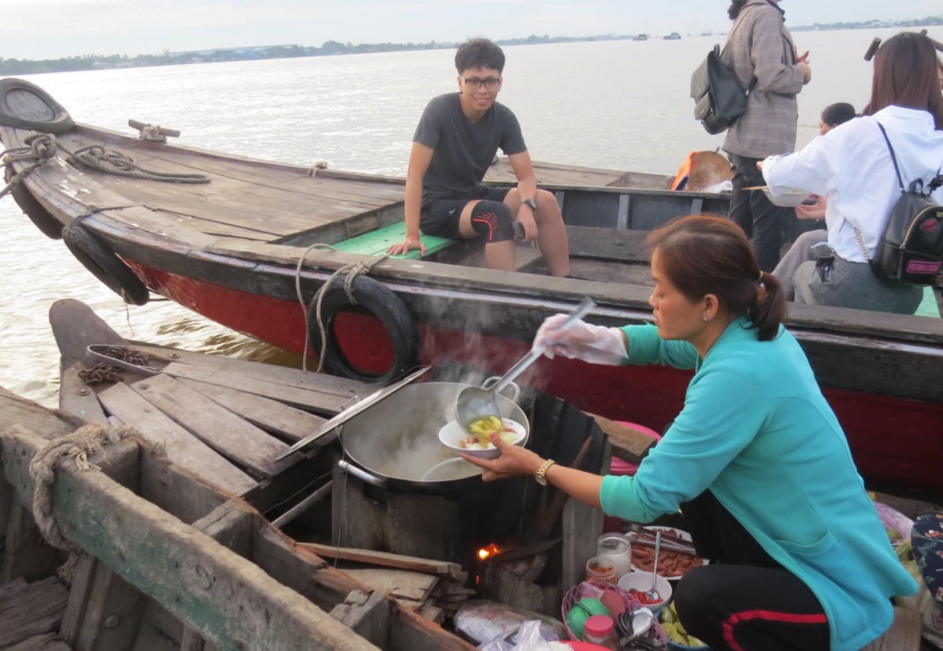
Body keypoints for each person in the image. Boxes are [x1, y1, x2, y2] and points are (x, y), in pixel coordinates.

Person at [461, 215, 917, 651]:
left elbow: (641, 499)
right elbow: (672, 344)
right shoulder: (746, 329)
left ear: (707, 305)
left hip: (833, 579)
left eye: (661, 291)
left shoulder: (737, 376)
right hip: (793, 531)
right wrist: (598, 339)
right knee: (684, 473)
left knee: (700, 598)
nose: (651, 301)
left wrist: (537, 466)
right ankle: (747, 579)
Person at [762, 32, 943, 314]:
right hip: (908, 293)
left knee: (802, 274)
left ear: (881, 76)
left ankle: (773, 328)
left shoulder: (861, 131)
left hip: (852, 285)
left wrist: (768, 163)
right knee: (810, 243)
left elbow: (781, 176)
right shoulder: (937, 138)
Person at [386, 38, 570, 276]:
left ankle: (565, 286)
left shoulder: (504, 118)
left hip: (471, 195)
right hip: (436, 208)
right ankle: (509, 297)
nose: (482, 90)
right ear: (460, 81)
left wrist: (527, 207)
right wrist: (412, 235)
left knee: (545, 201)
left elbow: (526, 177)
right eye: (473, 81)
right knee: (496, 214)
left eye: (490, 81)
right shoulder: (439, 110)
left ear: (500, 82)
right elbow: (414, 176)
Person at [721, 0, 812, 273]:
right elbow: (771, 77)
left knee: (739, 222)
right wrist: (803, 73)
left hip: (742, 136)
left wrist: (789, 65)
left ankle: (723, 277)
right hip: (763, 140)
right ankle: (762, 294)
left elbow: (751, 71)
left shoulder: (744, 14)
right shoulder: (766, 15)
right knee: (768, 228)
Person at [772, 103, 856, 298]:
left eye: (822, 127)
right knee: (811, 238)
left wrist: (767, 165)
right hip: (865, 243)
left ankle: (771, 294)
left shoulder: (843, 159)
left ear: (834, 129)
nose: (820, 133)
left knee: (808, 240)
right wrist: (821, 212)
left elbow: (780, 173)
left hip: (858, 252)